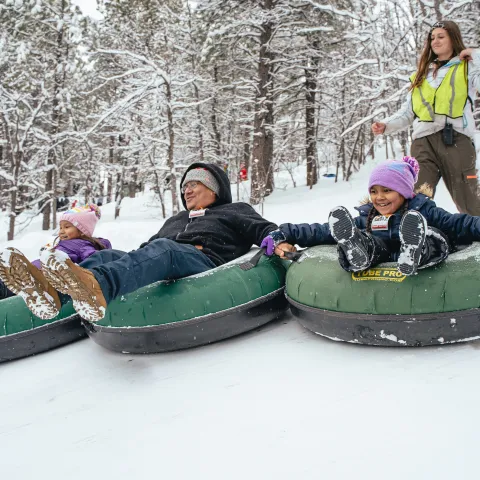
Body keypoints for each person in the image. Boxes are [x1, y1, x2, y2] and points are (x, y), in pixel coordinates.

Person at [1, 163, 277, 322]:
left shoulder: (234, 210)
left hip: (202, 259)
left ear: (215, 188)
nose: (187, 190)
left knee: (163, 250)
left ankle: (99, 287)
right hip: (166, 255)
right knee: (103, 258)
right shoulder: (178, 218)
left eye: (195, 184)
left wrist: (280, 241)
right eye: (184, 187)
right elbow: (151, 246)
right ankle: (51, 292)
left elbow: (265, 230)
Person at [261, 156, 480, 276]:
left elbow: (461, 224)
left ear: (404, 191)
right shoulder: (369, 217)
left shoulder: (424, 210)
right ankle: (358, 250)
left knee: (431, 236)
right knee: (369, 240)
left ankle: (414, 249)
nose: (379, 198)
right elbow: (322, 231)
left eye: (387, 190)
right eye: (374, 191)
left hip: (426, 249)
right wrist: (286, 232)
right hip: (384, 255)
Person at [371, 20, 480, 215]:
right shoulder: (421, 75)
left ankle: (476, 236)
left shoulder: (467, 67)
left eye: (440, 37)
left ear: (453, 39)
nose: (435, 41)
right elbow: (407, 112)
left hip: (455, 139)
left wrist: (476, 55)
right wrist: (386, 125)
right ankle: (410, 234)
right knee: (416, 195)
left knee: (468, 197)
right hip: (423, 143)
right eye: (432, 38)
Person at [0, 204, 112, 318]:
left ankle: (27, 283)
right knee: (10, 282)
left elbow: (94, 260)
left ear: (82, 230)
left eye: (67, 227)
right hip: (36, 269)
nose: (61, 231)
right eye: (61, 227)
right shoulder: (61, 243)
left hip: (47, 276)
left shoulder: (84, 246)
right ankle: (17, 278)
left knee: (16, 286)